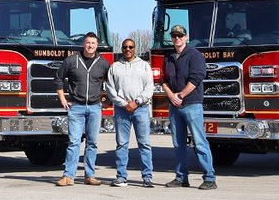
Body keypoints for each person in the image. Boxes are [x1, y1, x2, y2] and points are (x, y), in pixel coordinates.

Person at [162, 24, 217, 190]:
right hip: (174, 106)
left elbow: (196, 78)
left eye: (180, 36)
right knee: (178, 144)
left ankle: (209, 178)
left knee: (199, 142)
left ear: (186, 38)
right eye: (174, 36)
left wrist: (181, 95)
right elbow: (163, 80)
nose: (177, 38)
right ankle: (181, 178)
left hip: (192, 104)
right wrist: (171, 96)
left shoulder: (195, 56)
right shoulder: (169, 57)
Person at [54, 32, 110, 187]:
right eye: (87, 42)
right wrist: (63, 98)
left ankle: (90, 175)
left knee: (92, 143)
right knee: (74, 142)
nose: (90, 46)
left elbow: (112, 83)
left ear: (97, 45)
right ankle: (68, 176)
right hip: (76, 107)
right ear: (83, 44)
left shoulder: (103, 63)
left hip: (95, 107)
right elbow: (58, 78)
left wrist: (106, 101)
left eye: (93, 43)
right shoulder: (72, 61)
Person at [105, 37, 154, 187]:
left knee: (144, 144)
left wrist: (137, 102)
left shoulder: (144, 66)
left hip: (141, 109)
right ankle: (121, 176)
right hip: (122, 110)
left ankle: (147, 177)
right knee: (121, 144)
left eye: (131, 47)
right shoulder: (115, 67)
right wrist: (124, 103)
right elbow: (110, 89)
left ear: (135, 48)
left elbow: (149, 88)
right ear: (122, 48)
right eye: (125, 47)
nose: (128, 49)